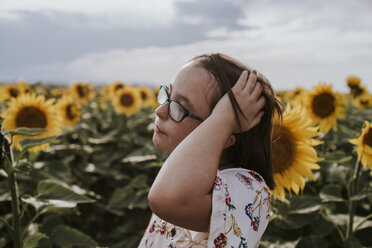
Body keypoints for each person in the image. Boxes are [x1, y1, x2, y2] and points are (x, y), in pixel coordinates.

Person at [138, 53, 282, 248]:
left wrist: (224, 118)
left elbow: (165, 199)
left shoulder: (248, 190)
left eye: (179, 107)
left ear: (224, 136)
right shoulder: (184, 175)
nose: (160, 111)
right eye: (168, 95)